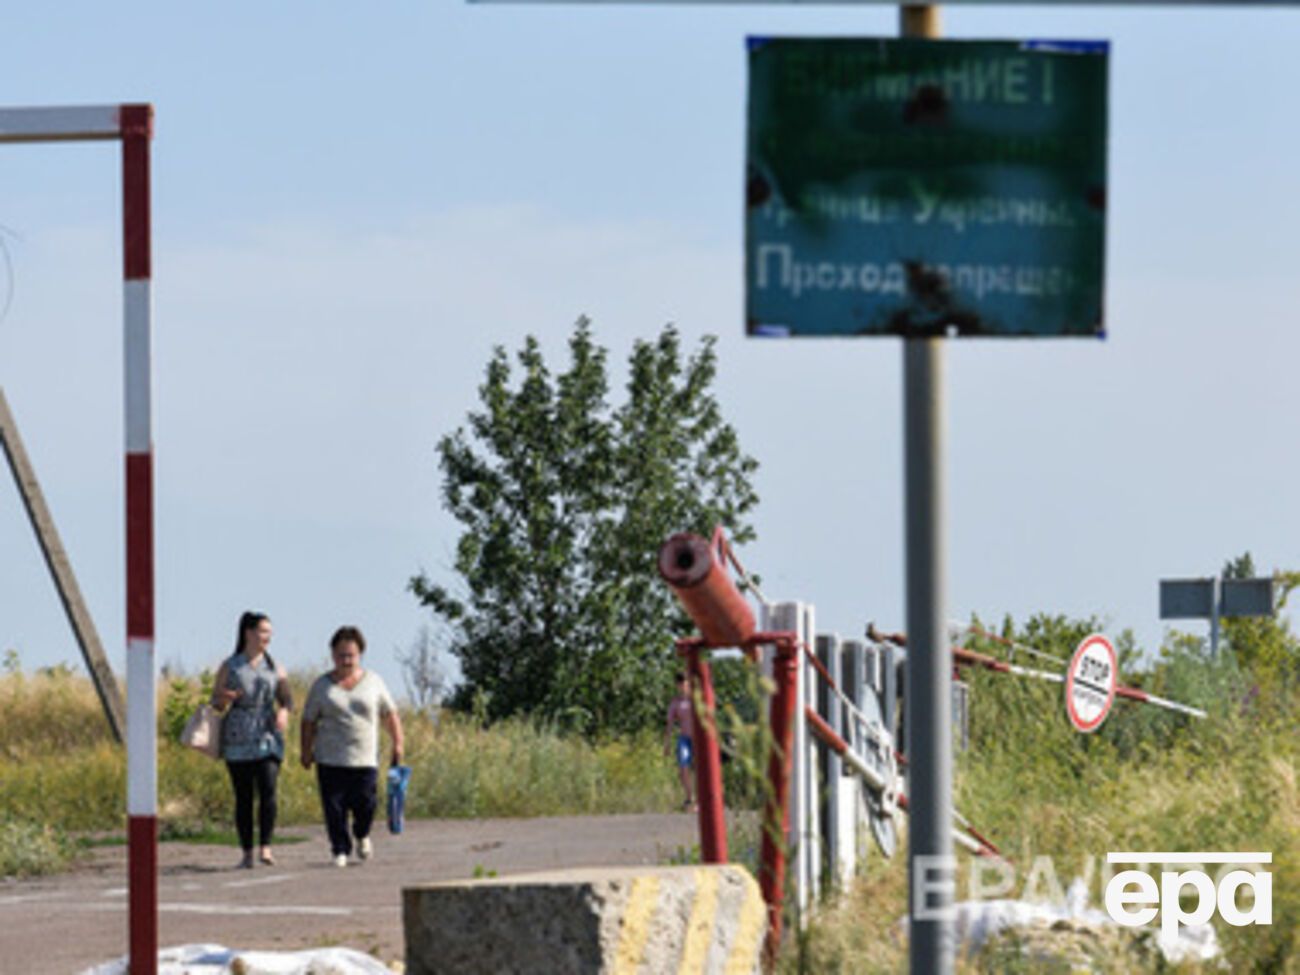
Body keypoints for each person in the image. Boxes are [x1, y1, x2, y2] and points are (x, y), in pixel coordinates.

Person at [300, 625, 404, 867]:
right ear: (332, 655)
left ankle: (362, 834)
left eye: (351, 655)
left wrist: (398, 743)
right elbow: (308, 721)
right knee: (334, 808)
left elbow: (390, 714)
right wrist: (306, 750)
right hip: (330, 757)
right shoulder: (321, 686)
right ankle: (340, 849)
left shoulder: (374, 682)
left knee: (366, 804)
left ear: (360, 655)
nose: (346, 661)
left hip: (365, 758)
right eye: (341, 655)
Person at [211, 611, 292, 869]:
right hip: (238, 734)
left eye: (269, 632)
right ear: (248, 633)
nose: (267, 637)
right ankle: (246, 850)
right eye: (263, 631)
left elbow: (287, 697)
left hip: (267, 733)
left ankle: (265, 846)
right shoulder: (230, 665)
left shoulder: (275, 666)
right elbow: (215, 701)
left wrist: (284, 711)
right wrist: (224, 698)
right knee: (243, 796)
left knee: (268, 789)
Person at [664, 672, 695, 811]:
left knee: (701, 769)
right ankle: (689, 797)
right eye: (680, 683)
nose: (683, 686)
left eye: (685, 683)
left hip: (698, 739)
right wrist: (667, 743)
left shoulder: (695, 699)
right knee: (683, 766)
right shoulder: (675, 702)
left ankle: (702, 799)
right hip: (684, 737)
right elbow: (670, 723)